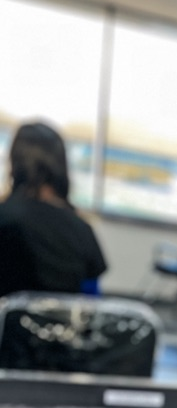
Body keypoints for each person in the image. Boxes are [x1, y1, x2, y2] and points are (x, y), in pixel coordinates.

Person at [0, 121, 107, 296]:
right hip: (64, 323)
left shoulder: (4, 217)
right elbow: (91, 303)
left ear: (14, 163)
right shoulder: (83, 230)